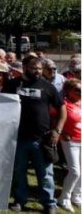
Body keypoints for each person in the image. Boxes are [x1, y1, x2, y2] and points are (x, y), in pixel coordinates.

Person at [3, 56, 66, 213]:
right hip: (18, 138)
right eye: (34, 68)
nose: (37, 71)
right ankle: (19, 201)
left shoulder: (48, 86)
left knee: (46, 174)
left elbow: (62, 109)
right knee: (19, 172)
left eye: (39, 68)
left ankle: (49, 204)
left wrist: (57, 130)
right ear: (24, 67)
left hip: (42, 138)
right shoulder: (12, 85)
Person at [58, 79, 81, 212]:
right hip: (70, 141)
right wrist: (62, 132)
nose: (80, 92)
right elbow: (54, 119)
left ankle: (77, 197)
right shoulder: (64, 104)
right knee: (75, 172)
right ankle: (64, 198)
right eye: (77, 90)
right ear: (68, 91)